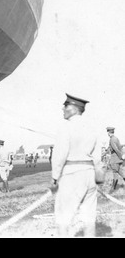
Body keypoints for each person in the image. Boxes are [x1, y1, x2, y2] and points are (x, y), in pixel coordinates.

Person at [50, 93, 101, 237]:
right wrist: (97, 176)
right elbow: (98, 156)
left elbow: (60, 155)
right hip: (90, 174)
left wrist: (54, 177)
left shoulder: (66, 127)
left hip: (71, 175)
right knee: (89, 219)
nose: (63, 109)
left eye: (65, 106)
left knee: (63, 219)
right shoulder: (92, 128)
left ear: (73, 108)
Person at [105, 127, 125, 193]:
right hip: (118, 160)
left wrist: (121, 156)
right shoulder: (116, 138)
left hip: (114, 159)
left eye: (107, 132)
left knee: (115, 173)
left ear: (108, 132)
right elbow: (119, 147)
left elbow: (116, 149)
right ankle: (114, 188)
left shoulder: (111, 139)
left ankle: (113, 190)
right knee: (120, 172)